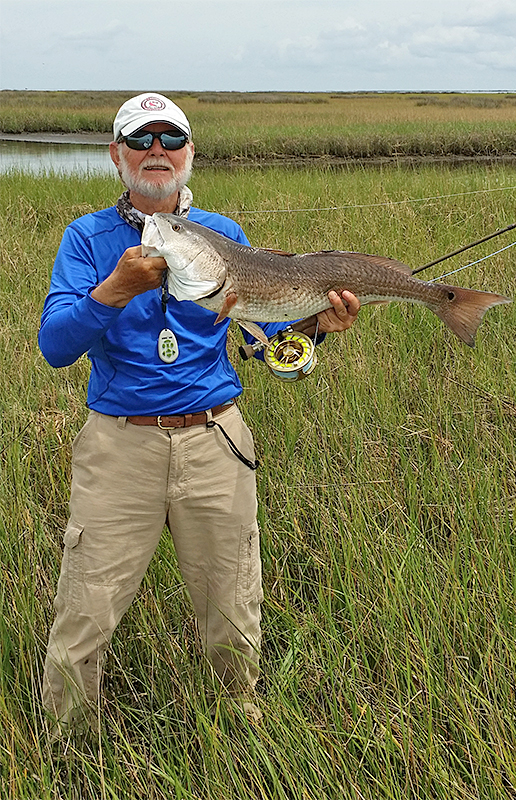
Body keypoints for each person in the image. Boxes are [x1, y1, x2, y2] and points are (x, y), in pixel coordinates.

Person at [39, 92, 360, 735]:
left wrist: (314, 329)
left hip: (216, 438)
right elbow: (55, 346)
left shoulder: (226, 235)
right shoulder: (87, 238)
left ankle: (237, 736)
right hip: (119, 445)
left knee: (232, 603)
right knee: (86, 608)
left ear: (189, 155)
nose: (156, 151)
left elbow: (264, 345)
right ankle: (65, 747)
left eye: (171, 139)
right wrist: (115, 291)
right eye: (140, 140)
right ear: (115, 155)